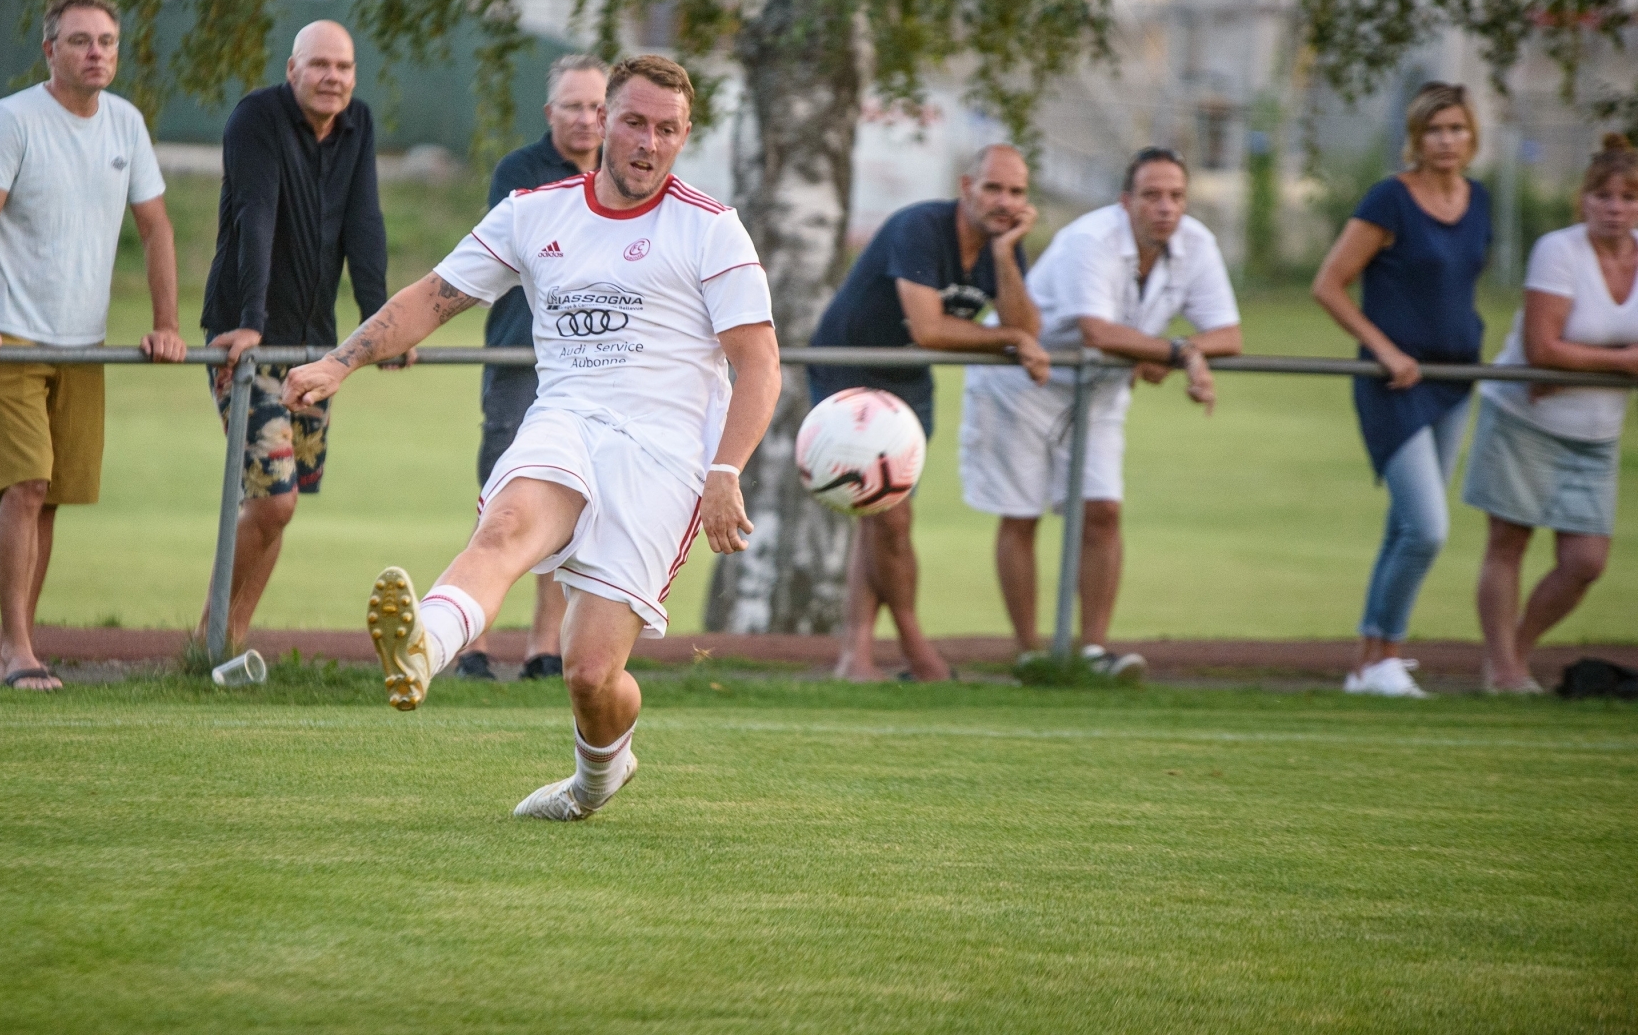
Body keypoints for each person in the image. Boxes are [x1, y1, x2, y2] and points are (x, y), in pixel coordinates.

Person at [283, 55, 780, 821]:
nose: (649, 143)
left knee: (588, 675)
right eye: (635, 123)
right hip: (567, 421)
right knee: (506, 526)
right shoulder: (534, 211)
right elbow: (434, 298)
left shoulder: (711, 229)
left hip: (663, 459)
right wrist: (342, 360)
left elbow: (759, 365)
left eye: (668, 130)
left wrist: (726, 469)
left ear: (685, 137)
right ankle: (427, 647)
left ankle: (595, 780)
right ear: (602, 123)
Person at [0, 0, 186, 691]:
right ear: (49, 49)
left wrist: (168, 325)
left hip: (84, 344)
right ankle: (14, 649)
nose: (97, 53)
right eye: (82, 41)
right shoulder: (12, 120)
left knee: (48, 493)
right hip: (13, 339)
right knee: (23, 487)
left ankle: (16, 649)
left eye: (108, 42)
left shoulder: (125, 125)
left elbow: (156, 229)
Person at [959, 147, 1241, 680]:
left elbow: (1230, 334)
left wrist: (1178, 349)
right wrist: (1176, 354)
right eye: (1152, 195)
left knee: (1104, 511)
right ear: (1125, 201)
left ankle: (1092, 651)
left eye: (1176, 196)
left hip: (1101, 389)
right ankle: (1031, 654)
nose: (1165, 207)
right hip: (1021, 382)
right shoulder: (1091, 239)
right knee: (1021, 515)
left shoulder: (1196, 243)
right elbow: (1098, 331)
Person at [808, 144, 1051, 682]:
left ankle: (858, 657)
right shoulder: (919, 227)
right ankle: (919, 653)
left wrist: (1008, 255)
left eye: (1016, 192)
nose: (1004, 201)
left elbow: (1026, 325)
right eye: (993, 188)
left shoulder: (1000, 246)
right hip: (849, 369)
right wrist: (1008, 337)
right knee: (888, 515)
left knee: (883, 518)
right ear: (966, 187)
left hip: (908, 380)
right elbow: (931, 329)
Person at [198, 21, 390, 650]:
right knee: (273, 499)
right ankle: (208, 639)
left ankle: (230, 642)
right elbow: (257, 214)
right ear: (292, 69)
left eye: (344, 67)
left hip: (317, 348)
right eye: (320, 66)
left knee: (285, 501)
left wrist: (377, 325)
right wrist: (249, 320)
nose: (333, 78)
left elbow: (364, 222)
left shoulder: (357, 124)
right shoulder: (255, 120)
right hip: (247, 340)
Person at [1312, 82, 1491, 698]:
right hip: (1394, 383)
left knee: (1404, 526)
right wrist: (1385, 349)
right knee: (1427, 528)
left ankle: (1371, 663)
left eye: (1458, 129)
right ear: (1417, 137)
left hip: (1455, 380)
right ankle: (1382, 654)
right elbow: (1329, 284)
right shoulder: (1390, 199)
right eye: (1436, 129)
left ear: (1473, 136)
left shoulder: (1481, 200)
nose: (1447, 140)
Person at [455, 53, 610, 682]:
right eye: (573, 106)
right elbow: (516, 257)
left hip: (591, 368)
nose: (586, 119)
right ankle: (472, 645)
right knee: (499, 499)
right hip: (521, 357)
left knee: (567, 502)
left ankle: (545, 649)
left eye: (598, 107)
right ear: (550, 113)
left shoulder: (625, 175)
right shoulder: (519, 174)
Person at [1464, 135, 1638, 693]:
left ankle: (1515, 650)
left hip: (1597, 429)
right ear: (1582, 200)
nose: (1615, 207)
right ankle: (1505, 672)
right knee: (1509, 542)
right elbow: (1541, 351)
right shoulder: (1558, 252)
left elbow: (1563, 357)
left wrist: (1575, 368)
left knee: (1586, 560)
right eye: (1603, 196)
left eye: (1629, 197)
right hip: (1525, 420)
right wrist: (1625, 363)